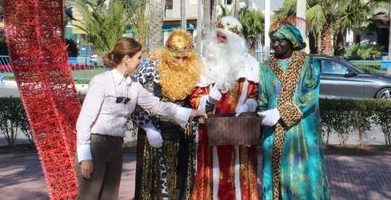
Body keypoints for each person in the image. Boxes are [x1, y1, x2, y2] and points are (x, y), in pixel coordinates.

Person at [75, 37, 206, 200]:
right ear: (126, 59)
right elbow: (84, 121)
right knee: (89, 196)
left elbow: (157, 106)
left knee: (109, 196)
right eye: (138, 58)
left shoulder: (134, 85)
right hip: (97, 145)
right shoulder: (101, 82)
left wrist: (190, 113)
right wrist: (85, 156)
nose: (140, 62)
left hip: (116, 146)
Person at [258, 19, 330, 200]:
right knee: (274, 174)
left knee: (303, 173)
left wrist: (281, 113)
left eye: (280, 40)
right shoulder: (265, 68)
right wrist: (263, 114)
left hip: (301, 131)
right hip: (273, 132)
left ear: (291, 40)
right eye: (273, 40)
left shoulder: (308, 64)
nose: (276, 44)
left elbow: (310, 97)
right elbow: (263, 99)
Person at [190, 16, 260, 200]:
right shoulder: (205, 64)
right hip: (211, 133)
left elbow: (256, 94)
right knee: (212, 177)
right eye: (218, 36)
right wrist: (209, 100)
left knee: (239, 174)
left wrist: (248, 105)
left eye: (224, 38)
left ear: (235, 42)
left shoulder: (250, 65)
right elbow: (195, 99)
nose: (219, 41)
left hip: (240, 131)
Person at [132, 30, 202, 200]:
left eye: (184, 57)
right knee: (154, 181)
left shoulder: (196, 69)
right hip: (156, 130)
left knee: (181, 179)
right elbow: (132, 100)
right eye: (176, 57)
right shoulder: (151, 67)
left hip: (184, 132)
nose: (180, 61)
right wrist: (148, 127)